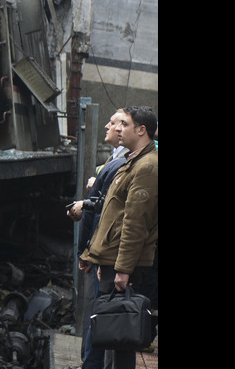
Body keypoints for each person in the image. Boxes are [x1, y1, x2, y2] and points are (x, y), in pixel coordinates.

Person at [79, 106, 158, 369]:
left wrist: (122, 270)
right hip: (112, 260)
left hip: (123, 264)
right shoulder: (132, 161)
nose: (117, 129)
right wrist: (98, 256)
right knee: (112, 331)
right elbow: (113, 214)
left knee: (120, 332)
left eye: (125, 124)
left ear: (141, 130)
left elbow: (135, 224)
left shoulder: (147, 167)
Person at [67, 109, 128, 369]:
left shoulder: (124, 164)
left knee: (100, 313)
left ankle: (91, 365)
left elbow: (113, 213)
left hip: (109, 253)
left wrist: (87, 250)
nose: (107, 126)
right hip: (107, 251)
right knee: (99, 312)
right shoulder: (117, 161)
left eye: (113, 123)